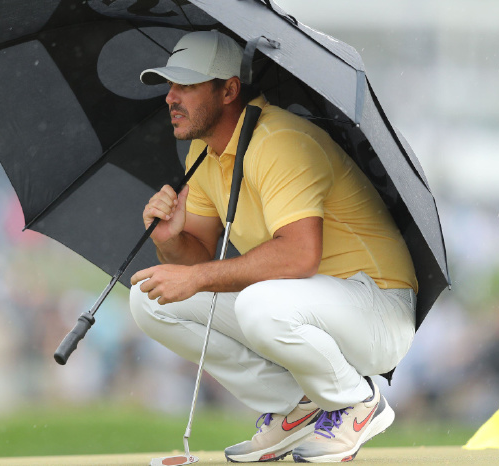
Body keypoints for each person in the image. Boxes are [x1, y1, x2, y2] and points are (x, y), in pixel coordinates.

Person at [129, 30, 418, 463]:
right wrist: (170, 242)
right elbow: (201, 262)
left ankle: (358, 400)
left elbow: (300, 255)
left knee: (258, 304)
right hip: (310, 305)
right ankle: (295, 408)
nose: (171, 97)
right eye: (170, 86)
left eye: (186, 85)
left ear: (228, 90)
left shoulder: (279, 141)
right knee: (148, 298)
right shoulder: (202, 154)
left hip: (377, 307)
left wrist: (194, 275)